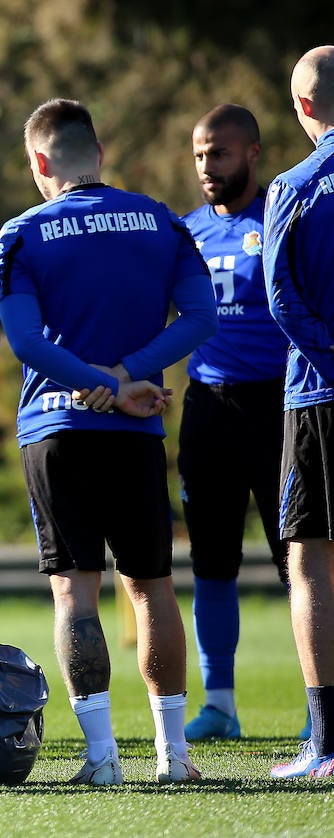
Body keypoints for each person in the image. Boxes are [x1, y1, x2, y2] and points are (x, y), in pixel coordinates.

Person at [0, 98, 217, 785]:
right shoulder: (160, 219)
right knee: (152, 588)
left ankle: (101, 760)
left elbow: (25, 340)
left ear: (39, 161)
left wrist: (95, 381)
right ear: (100, 152)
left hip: (57, 429)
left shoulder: (23, 232)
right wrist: (126, 379)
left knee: (75, 594)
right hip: (136, 429)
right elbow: (200, 317)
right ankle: (174, 757)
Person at [178, 104, 292, 741]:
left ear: (252, 152)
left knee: (298, 561)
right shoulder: (187, 230)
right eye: (198, 155)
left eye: (218, 153)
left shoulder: (280, 220)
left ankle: (319, 702)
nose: (206, 166)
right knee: (212, 564)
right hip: (207, 412)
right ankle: (218, 704)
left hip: (277, 409)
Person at [265, 45, 334, 780]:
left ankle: (326, 741)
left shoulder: (295, 182)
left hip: (318, 392)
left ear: (304, 108)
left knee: (311, 558)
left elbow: (282, 299)